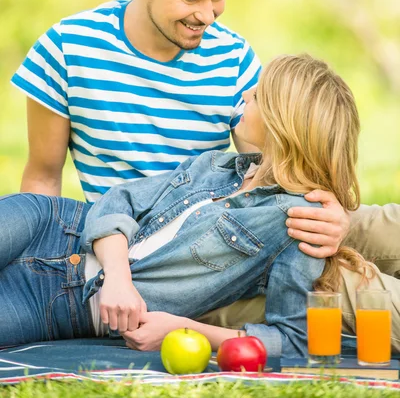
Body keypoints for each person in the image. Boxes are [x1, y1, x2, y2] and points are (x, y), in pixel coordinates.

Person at [11, 0, 348, 259]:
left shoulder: (232, 58)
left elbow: (269, 172)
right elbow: (43, 178)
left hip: (201, 252)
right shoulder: (68, 47)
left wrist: (335, 217)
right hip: (107, 243)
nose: (207, 15)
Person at [1, 55, 399, 356]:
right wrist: (118, 278)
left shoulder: (294, 226)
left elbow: (291, 341)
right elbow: (116, 200)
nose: (245, 95)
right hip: (50, 224)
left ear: (283, 123)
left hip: (60, 307)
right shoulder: (216, 164)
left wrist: (183, 329)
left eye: (257, 96)